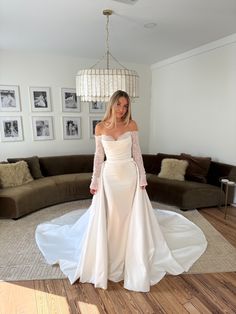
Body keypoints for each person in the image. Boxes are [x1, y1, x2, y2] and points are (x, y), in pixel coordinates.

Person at [35, 90, 207, 292]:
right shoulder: (99, 128)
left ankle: (132, 250)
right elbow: (99, 157)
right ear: (112, 104)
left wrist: (142, 176)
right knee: (111, 217)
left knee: (130, 217)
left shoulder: (131, 125)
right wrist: (94, 180)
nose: (122, 109)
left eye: (125, 106)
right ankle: (109, 253)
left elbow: (137, 154)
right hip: (109, 177)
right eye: (119, 105)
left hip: (130, 176)